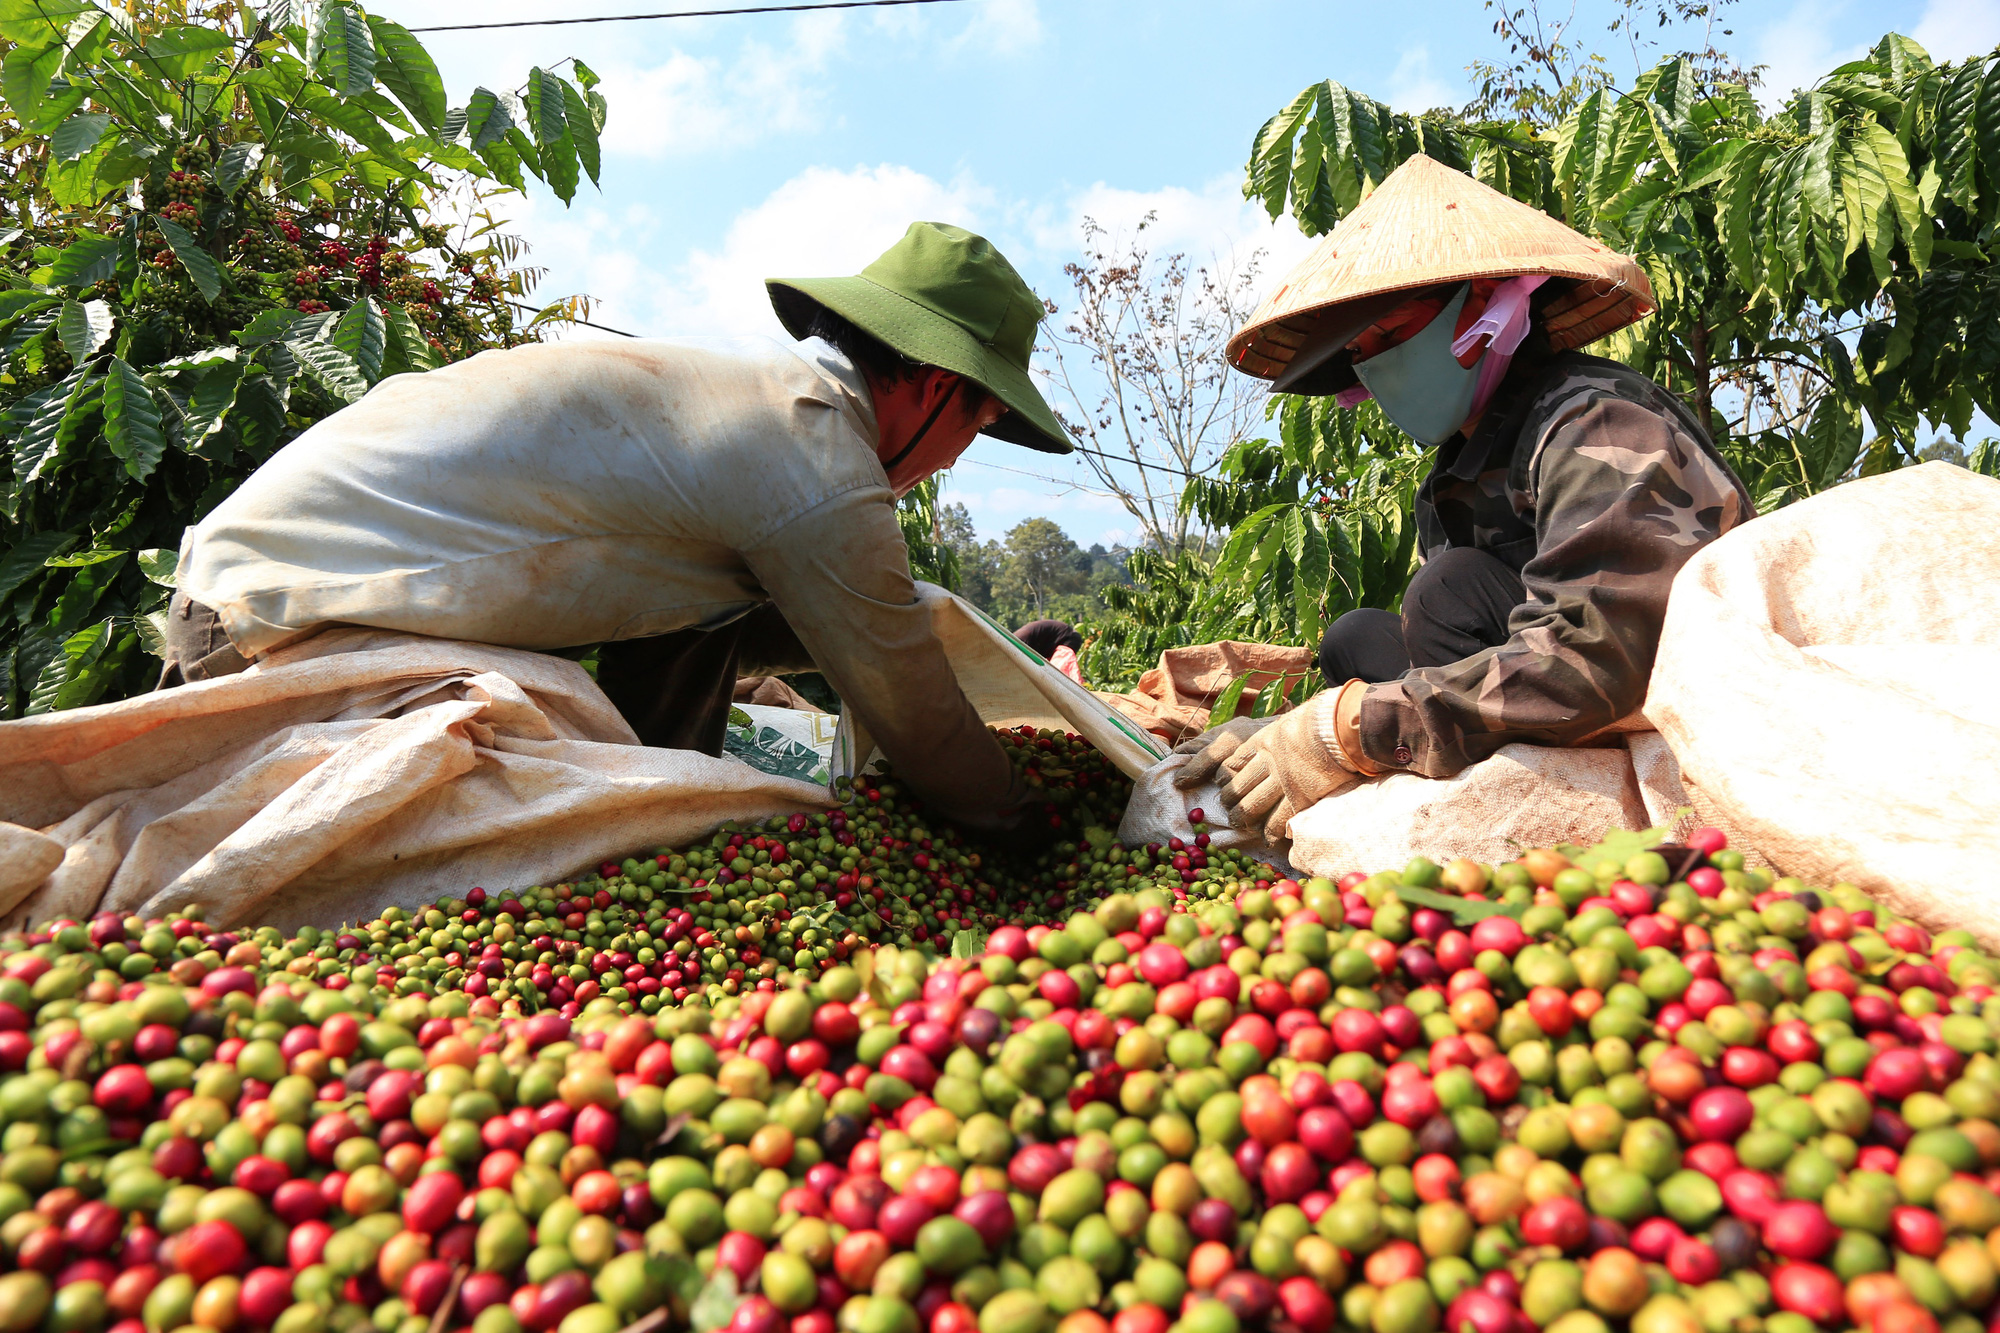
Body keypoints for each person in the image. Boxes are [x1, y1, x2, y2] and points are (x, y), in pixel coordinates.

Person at [165, 221, 1074, 830]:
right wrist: (1049, 824)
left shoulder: (751, 409)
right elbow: (919, 727)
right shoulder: (813, 454)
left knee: (699, 625)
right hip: (280, 629)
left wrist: (952, 644)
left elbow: (774, 625)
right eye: (979, 424)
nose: (955, 457)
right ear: (938, 384)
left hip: (249, 587)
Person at [1179, 155, 1753, 842]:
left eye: (1393, 336)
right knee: (1356, 637)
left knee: (1443, 591)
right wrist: (1285, 731)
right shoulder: (1455, 473)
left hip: (1642, 699)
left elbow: (1599, 654)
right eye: (1364, 352)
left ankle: (1535, 816)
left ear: (1483, 299)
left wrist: (1355, 727)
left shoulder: (1594, 424)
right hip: (1537, 694)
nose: (1380, 367)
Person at [1013, 618, 1084, 685]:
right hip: (1052, 644)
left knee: (1058, 675)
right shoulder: (1015, 641)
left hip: (1068, 638)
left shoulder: (1019, 642)